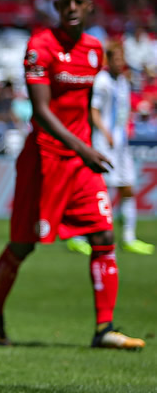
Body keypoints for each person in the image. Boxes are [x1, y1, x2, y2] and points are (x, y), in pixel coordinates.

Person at [0, 0, 146, 350]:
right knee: (23, 244)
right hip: (43, 161)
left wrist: (90, 143)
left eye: (78, 2)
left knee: (104, 236)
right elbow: (41, 112)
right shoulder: (40, 46)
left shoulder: (94, 50)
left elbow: (84, 106)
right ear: (56, 6)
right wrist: (85, 148)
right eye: (64, 2)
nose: (71, 8)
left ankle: (105, 329)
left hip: (81, 164)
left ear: (89, 5)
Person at [68, 41, 153, 256]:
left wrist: (125, 131)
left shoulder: (123, 82)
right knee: (96, 191)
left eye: (121, 59)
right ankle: (78, 237)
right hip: (104, 143)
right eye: (116, 59)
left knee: (128, 188)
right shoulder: (102, 81)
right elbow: (93, 111)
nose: (120, 62)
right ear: (109, 60)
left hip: (121, 144)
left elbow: (123, 111)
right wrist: (105, 133)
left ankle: (128, 238)